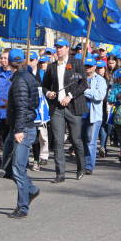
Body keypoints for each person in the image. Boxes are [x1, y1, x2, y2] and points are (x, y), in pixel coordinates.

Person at [42, 38, 87, 183]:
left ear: (67, 48)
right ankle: (60, 173)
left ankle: (81, 167)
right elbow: (44, 86)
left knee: (76, 139)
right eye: (57, 47)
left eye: (61, 47)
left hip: (73, 107)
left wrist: (70, 96)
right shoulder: (51, 66)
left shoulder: (77, 63)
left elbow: (83, 84)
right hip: (57, 108)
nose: (58, 49)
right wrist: (49, 93)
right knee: (58, 141)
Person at [5, 49, 41, 219]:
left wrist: (19, 130)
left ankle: (22, 207)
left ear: (9, 62)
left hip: (23, 127)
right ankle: (31, 189)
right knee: (8, 167)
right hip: (20, 125)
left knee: (18, 169)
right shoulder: (27, 75)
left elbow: (22, 107)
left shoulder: (20, 80)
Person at [81, 56, 107, 175]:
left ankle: (89, 166)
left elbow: (99, 96)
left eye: (90, 66)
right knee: (81, 140)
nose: (87, 68)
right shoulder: (79, 78)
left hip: (94, 115)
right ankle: (81, 164)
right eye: (86, 65)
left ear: (95, 67)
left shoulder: (100, 80)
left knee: (90, 141)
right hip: (80, 114)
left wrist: (84, 91)